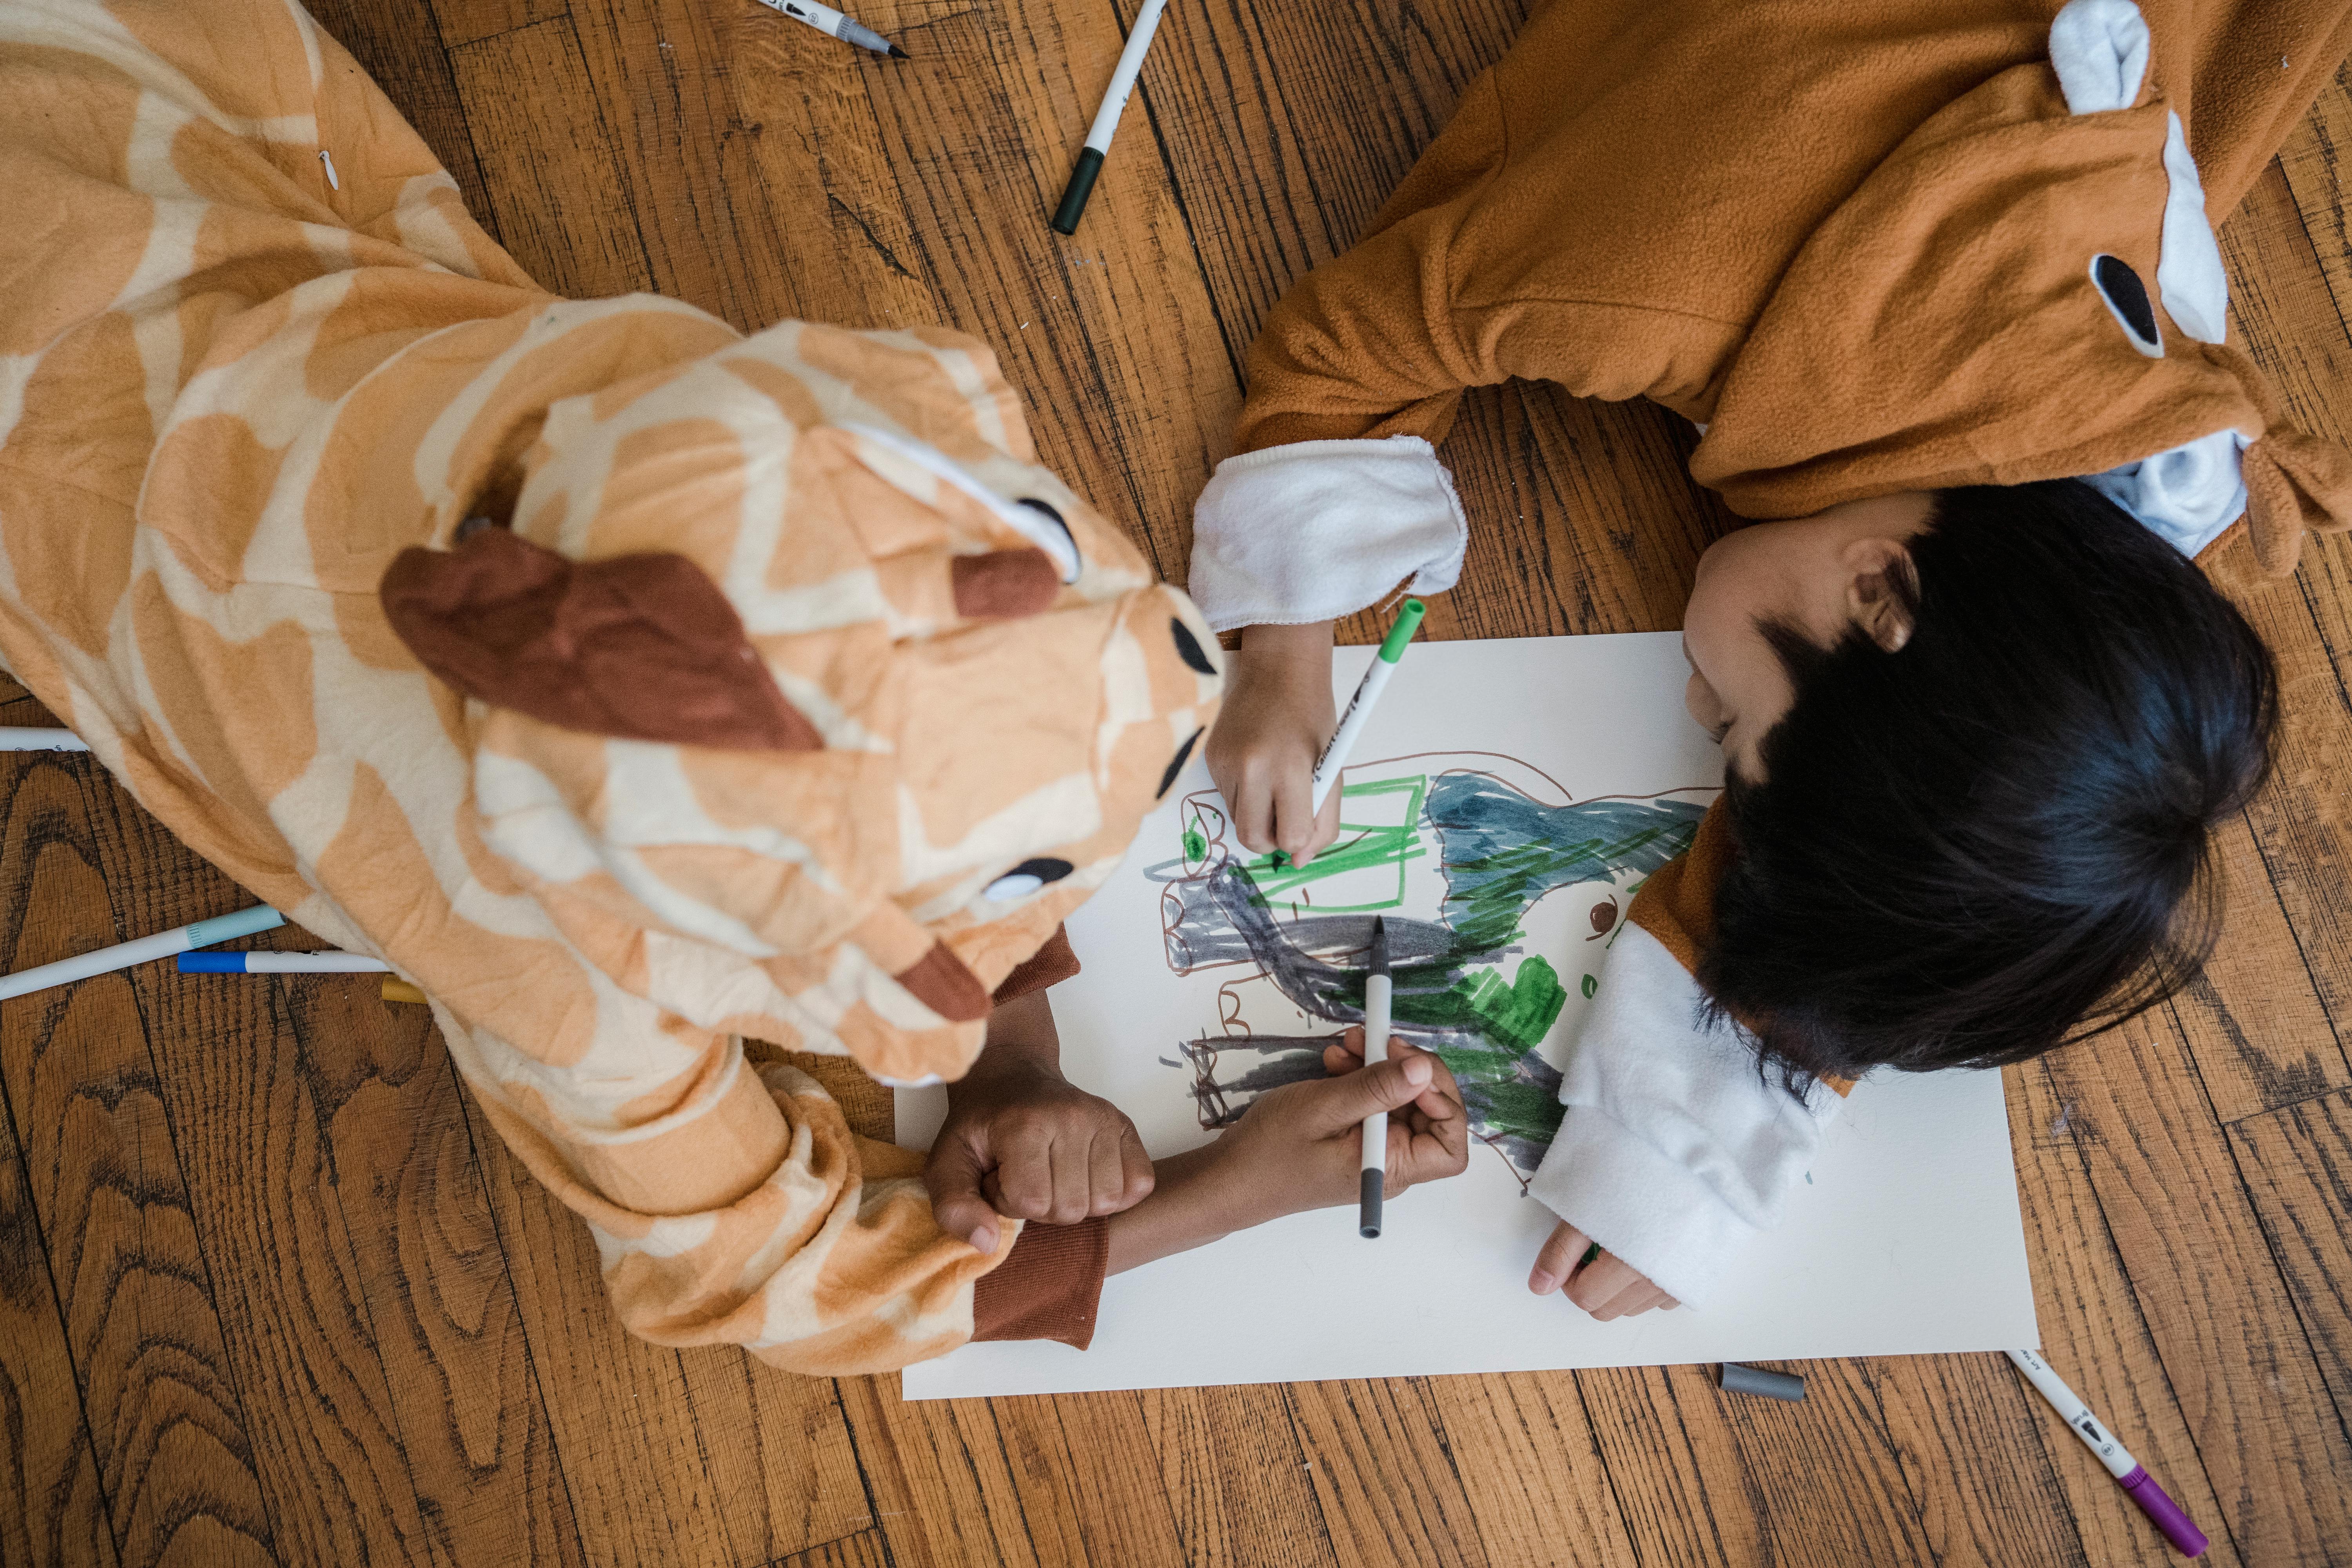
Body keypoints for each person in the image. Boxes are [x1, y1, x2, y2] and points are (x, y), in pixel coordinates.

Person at [0, 0, 1469, 1374]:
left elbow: (881, 697)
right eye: (1011, 880)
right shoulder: (563, 978)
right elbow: (761, 1269)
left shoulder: (693, 423)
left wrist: (1011, 1059)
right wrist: (1220, 1191)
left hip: (120, 165)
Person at [1196, 0, 2348, 1318]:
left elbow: (1909, 816)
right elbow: (1364, 334)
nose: (1692, 700)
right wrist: (1283, 643)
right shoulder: (1654, 267)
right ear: (1874, 589)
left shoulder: (2102, 560)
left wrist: (1691, 1148)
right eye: (1730, 725)